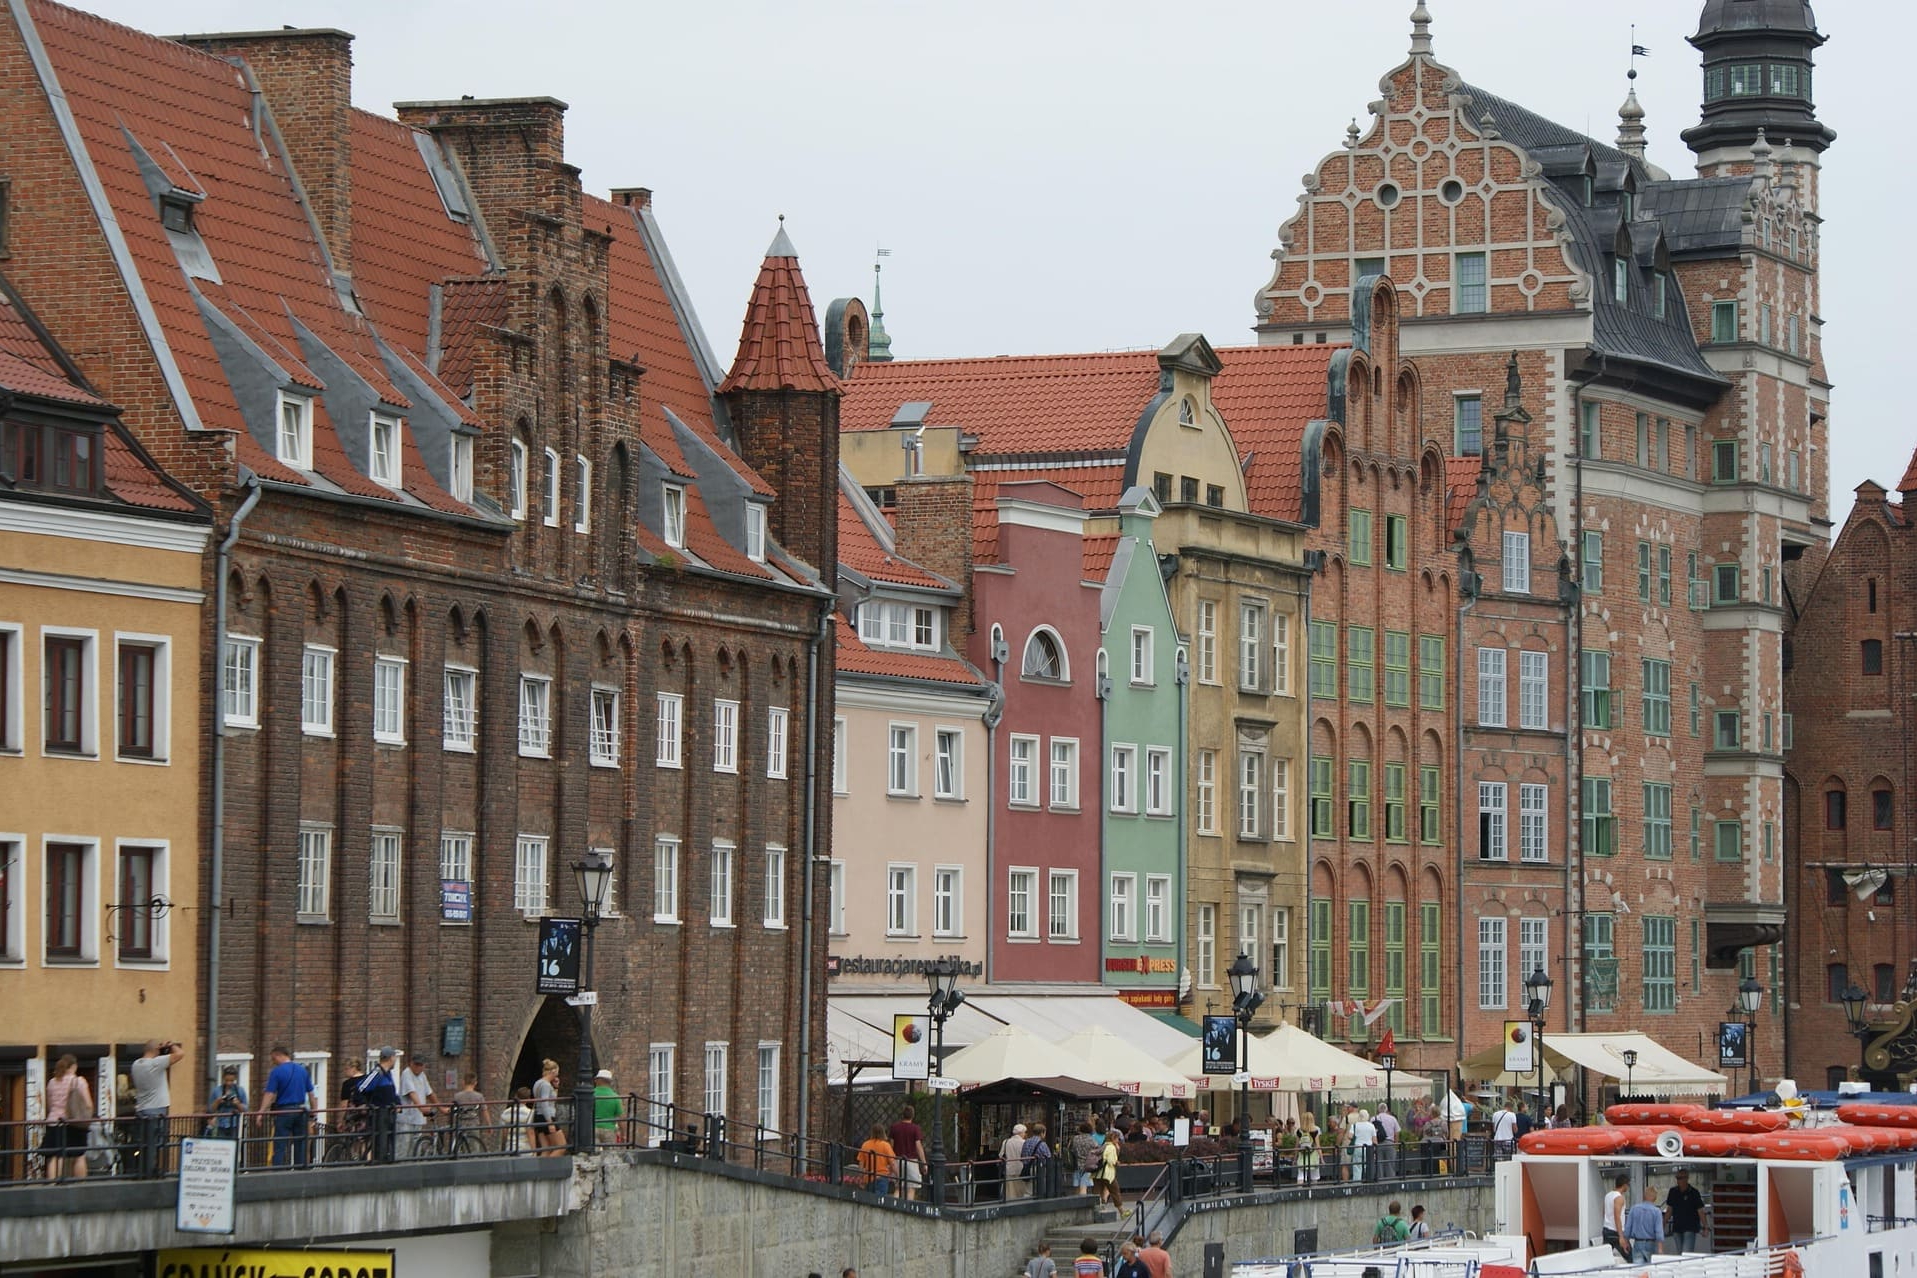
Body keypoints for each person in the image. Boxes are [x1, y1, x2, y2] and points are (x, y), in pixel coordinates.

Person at [129, 1039, 183, 1176]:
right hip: (156, 1109)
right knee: (155, 1143)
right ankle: (152, 1172)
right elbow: (180, 1054)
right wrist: (171, 1045)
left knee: (144, 1144)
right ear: (156, 1050)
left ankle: (140, 1171)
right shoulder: (155, 1063)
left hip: (141, 1109)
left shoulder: (136, 1064)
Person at [256, 1046, 314, 1168]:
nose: (273, 1062)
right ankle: (300, 1171)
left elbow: (269, 1094)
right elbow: (311, 1093)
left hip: (284, 1111)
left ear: (279, 1055)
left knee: (280, 1145)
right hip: (301, 1111)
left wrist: (261, 1111)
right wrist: (314, 1113)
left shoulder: (276, 1072)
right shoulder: (302, 1070)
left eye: (274, 1059)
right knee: (300, 1143)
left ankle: (278, 1172)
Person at [41, 1053, 93, 1180]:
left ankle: (53, 1184)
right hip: (73, 1122)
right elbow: (88, 1104)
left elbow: (49, 1105)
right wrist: (88, 1117)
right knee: (79, 1155)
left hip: (54, 1122)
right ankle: (80, 1184)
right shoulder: (79, 1081)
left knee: (54, 1156)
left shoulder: (52, 1082)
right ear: (74, 1066)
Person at [356, 1048, 401, 1161]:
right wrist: (365, 1105)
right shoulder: (377, 1073)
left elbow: (392, 1093)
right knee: (380, 1144)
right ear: (391, 1058)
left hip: (388, 1115)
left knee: (387, 1144)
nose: (395, 1060)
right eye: (395, 1057)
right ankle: (378, 1162)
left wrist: (398, 1104)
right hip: (378, 1115)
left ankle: (386, 1160)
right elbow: (361, 1087)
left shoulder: (388, 1074)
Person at [397, 1051, 435, 1159]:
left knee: (415, 1150)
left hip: (417, 1119)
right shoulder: (406, 1073)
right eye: (416, 1064)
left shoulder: (422, 1075)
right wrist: (422, 1108)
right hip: (406, 1119)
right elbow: (412, 1093)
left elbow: (430, 1093)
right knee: (403, 1148)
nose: (419, 1067)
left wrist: (441, 1107)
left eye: (421, 1065)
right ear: (411, 1063)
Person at [888, 1104, 926, 1200]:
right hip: (911, 1160)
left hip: (897, 1160)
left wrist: (890, 1162)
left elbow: (891, 1146)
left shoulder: (894, 1127)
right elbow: (918, 1146)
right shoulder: (915, 1128)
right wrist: (924, 1163)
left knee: (898, 1187)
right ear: (913, 1115)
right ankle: (908, 1206)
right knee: (911, 1188)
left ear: (903, 1115)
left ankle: (895, 1205)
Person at [1666, 1169, 1708, 1253]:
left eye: (1680, 1178)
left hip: (1690, 1228)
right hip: (1677, 1228)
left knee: (1686, 1253)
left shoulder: (1694, 1193)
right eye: (1677, 1178)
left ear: (1686, 1178)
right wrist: (1662, 1224)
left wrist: (1705, 1227)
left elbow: (1700, 1211)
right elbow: (1669, 1210)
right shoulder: (1673, 1192)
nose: (1678, 1180)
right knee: (1680, 1253)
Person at [1625, 1183, 1666, 1262]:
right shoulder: (1657, 1211)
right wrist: (1660, 1249)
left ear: (1644, 1196)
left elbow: (1628, 1228)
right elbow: (1659, 1232)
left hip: (1638, 1242)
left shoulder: (1634, 1209)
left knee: (1638, 1267)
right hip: (1651, 1244)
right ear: (1655, 1198)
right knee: (1650, 1267)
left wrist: (1626, 1241)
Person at [532, 1058, 565, 1155]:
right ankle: (550, 1164)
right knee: (561, 1146)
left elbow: (550, 1100)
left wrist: (556, 1087)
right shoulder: (546, 1085)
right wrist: (550, 1122)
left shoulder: (538, 1083)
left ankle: (542, 1165)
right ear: (553, 1071)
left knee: (546, 1148)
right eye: (557, 1072)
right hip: (547, 1116)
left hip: (538, 1116)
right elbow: (545, 1103)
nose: (557, 1075)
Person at [207, 1066, 247, 1140]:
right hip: (220, 1125)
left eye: (231, 1080)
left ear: (235, 1079)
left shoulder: (240, 1090)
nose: (229, 1083)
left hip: (235, 1124)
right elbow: (210, 1110)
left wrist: (237, 1104)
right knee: (221, 1145)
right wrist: (217, 1101)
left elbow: (245, 1109)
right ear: (223, 1078)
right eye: (226, 1080)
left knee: (234, 1145)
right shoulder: (216, 1090)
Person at [857, 1122, 897, 1196]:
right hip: (882, 1177)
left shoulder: (865, 1145)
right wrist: (898, 1175)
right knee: (880, 1199)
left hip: (868, 1177)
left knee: (869, 1199)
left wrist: (860, 1177)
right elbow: (892, 1163)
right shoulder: (886, 1145)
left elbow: (861, 1163)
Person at [1602, 1172, 1630, 1259]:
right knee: (1629, 1255)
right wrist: (1621, 1236)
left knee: (1605, 1257)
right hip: (1615, 1231)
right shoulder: (1619, 1198)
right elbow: (1617, 1217)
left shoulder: (1608, 1195)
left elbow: (1604, 1212)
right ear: (1624, 1185)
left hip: (1606, 1228)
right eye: (1628, 1185)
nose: (1628, 1187)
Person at [1069, 1119, 1100, 1195]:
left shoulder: (1075, 1139)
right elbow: (1097, 1151)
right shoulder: (1092, 1140)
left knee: (1077, 1187)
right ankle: (1082, 1201)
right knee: (1083, 1187)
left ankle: (1076, 1201)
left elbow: (1071, 1149)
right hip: (1087, 1165)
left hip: (1076, 1164)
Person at [502, 1086, 535, 1155]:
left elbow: (504, 1133)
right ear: (528, 1099)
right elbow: (530, 1133)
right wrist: (534, 1151)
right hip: (525, 1148)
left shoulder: (506, 1112)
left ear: (516, 1096)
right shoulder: (530, 1113)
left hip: (509, 1147)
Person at [1022, 1122, 1053, 1196]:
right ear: (1042, 1133)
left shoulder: (1026, 1142)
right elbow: (1048, 1157)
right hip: (1039, 1168)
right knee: (1040, 1189)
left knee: (1028, 1190)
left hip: (1027, 1167)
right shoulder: (1042, 1144)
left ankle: (1027, 1202)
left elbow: (1022, 1155)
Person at [1097, 1129, 1123, 1214]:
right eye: (1117, 1139)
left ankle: (1100, 1208)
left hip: (1098, 1173)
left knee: (1099, 1191)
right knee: (1115, 1191)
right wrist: (1117, 1162)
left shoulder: (1103, 1145)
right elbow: (1111, 1160)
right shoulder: (1111, 1147)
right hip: (1108, 1174)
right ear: (1113, 1139)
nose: (1118, 1141)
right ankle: (1122, 1211)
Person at [1001, 1123, 1029, 1199]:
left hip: (1009, 1170)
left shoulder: (1006, 1142)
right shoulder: (1024, 1142)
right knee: (1020, 1193)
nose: (1025, 1134)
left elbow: (1001, 1155)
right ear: (1021, 1133)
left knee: (1010, 1193)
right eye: (1024, 1132)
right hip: (1020, 1170)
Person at [1374, 1104, 1400, 1179]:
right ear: (1387, 1109)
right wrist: (1396, 1144)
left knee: (1379, 1163)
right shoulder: (1392, 1119)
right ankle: (1391, 1180)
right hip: (1390, 1143)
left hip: (1378, 1143)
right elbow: (1397, 1132)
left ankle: (1380, 1180)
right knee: (1390, 1163)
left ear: (1378, 1110)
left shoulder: (1374, 1118)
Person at [1352, 1108, 1377, 1182]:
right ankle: (1369, 1180)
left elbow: (1350, 1136)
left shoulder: (1355, 1125)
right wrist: (1375, 1150)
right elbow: (1374, 1139)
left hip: (1358, 1147)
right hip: (1369, 1148)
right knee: (1368, 1165)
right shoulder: (1371, 1126)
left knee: (1357, 1166)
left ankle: (1357, 1183)